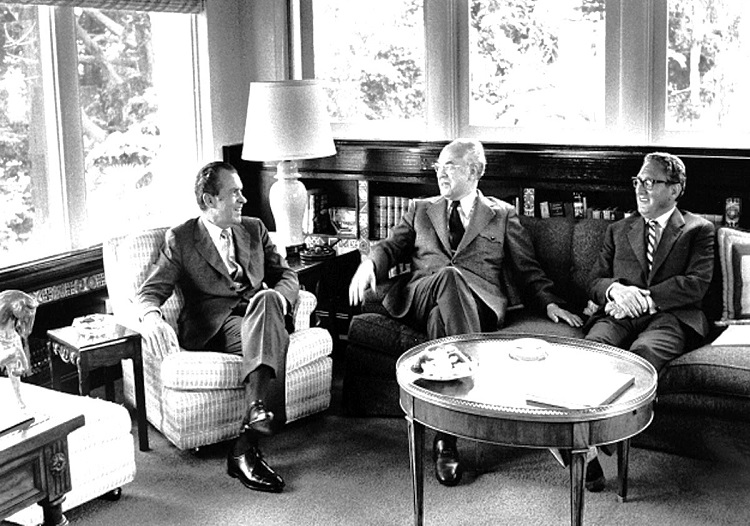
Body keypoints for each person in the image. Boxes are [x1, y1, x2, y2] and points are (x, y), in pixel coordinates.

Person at [348, 138, 582, 487]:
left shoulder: (502, 215)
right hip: (421, 296)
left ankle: (446, 438)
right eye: (438, 167)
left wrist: (550, 303)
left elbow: (527, 269)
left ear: (474, 171)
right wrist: (369, 264)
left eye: (450, 166)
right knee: (448, 276)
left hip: (478, 305)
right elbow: (391, 246)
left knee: (444, 310)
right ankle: (477, 402)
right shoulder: (420, 209)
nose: (440, 173)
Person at [136, 161, 298, 494]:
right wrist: (150, 316)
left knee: (268, 299)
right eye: (234, 193)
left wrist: (281, 299)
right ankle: (249, 438)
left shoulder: (254, 228)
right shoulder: (182, 238)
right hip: (216, 327)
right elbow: (152, 290)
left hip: (259, 315)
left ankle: (246, 440)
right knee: (271, 331)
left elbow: (286, 274)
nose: (244, 200)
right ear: (210, 200)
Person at [582, 151, 714, 491]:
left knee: (641, 356)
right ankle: (588, 445)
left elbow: (696, 284)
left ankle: (596, 439)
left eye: (651, 182)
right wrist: (615, 291)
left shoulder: (698, 230)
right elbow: (594, 280)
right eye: (638, 181)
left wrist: (644, 298)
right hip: (619, 314)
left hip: (670, 318)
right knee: (591, 350)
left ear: (675, 189)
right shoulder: (618, 229)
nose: (641, 189)